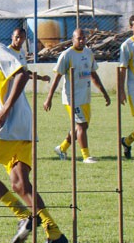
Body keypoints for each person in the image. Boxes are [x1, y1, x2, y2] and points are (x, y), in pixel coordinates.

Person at [0, 14, 68, 243]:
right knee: (21, 184)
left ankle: (24, 215)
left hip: (8, 128)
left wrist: (5, 109)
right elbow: (0, 92)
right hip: (23, 126)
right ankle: (55, 234)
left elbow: (22, 74)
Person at [44, 28, 111, 163]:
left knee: (83, 126)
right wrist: (49, 98)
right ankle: (86, 156)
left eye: (83, 38)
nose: (81, 41)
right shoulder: (66, 55)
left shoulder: (88, 53)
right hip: (71, 97)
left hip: (85, 96)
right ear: (73, 39)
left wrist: (104, 93)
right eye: (78, 38)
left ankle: (62, 148)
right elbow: (57, 77)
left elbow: (93, 74)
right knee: (81, 125)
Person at [118, 14, 134, 159]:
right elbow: (122, 69)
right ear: (130, 27)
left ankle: (127, 141)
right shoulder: (127, 46)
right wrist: (121, 91)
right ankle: (127, 141)